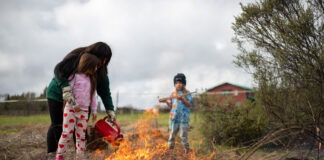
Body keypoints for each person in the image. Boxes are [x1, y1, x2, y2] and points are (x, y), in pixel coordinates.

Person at [46, 42, 115, 158]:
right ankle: (52, 154)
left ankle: (80, 154)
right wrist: (66, 88)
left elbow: (104, 91)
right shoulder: (76, 57)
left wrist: (110, 109)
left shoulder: (99, 70)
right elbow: (59, 70)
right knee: (58, 125)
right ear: (94, 55)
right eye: (102, 59)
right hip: (57, 93)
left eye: (106, 60)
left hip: (82, 102)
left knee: (80, 130)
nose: (103, 63)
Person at [56, 53, 98, 160]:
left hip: (84, 111)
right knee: (67, 134)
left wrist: (94, 110)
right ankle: (60, 156)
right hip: (71, 109)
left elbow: (93, 96)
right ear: (88, 65)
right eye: (95, 66)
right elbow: (68, 92)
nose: (96, 68)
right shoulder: (74, 77)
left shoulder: (92, 80)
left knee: (81, 136)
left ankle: (80, 157)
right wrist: (74, 104)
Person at [160, 73, 193, 153]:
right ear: (174, 84)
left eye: (180, 83)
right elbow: (172, 106)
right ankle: (170, 150)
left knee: (183, 136)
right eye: (177, 83)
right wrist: (166, 102)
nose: (178, 85)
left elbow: (190, 104)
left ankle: (186, 150)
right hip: (174, 118)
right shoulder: (172, 94)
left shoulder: (187, 93)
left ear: (183, 84)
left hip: (183, 119)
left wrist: (183, 99)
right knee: (172, 135)